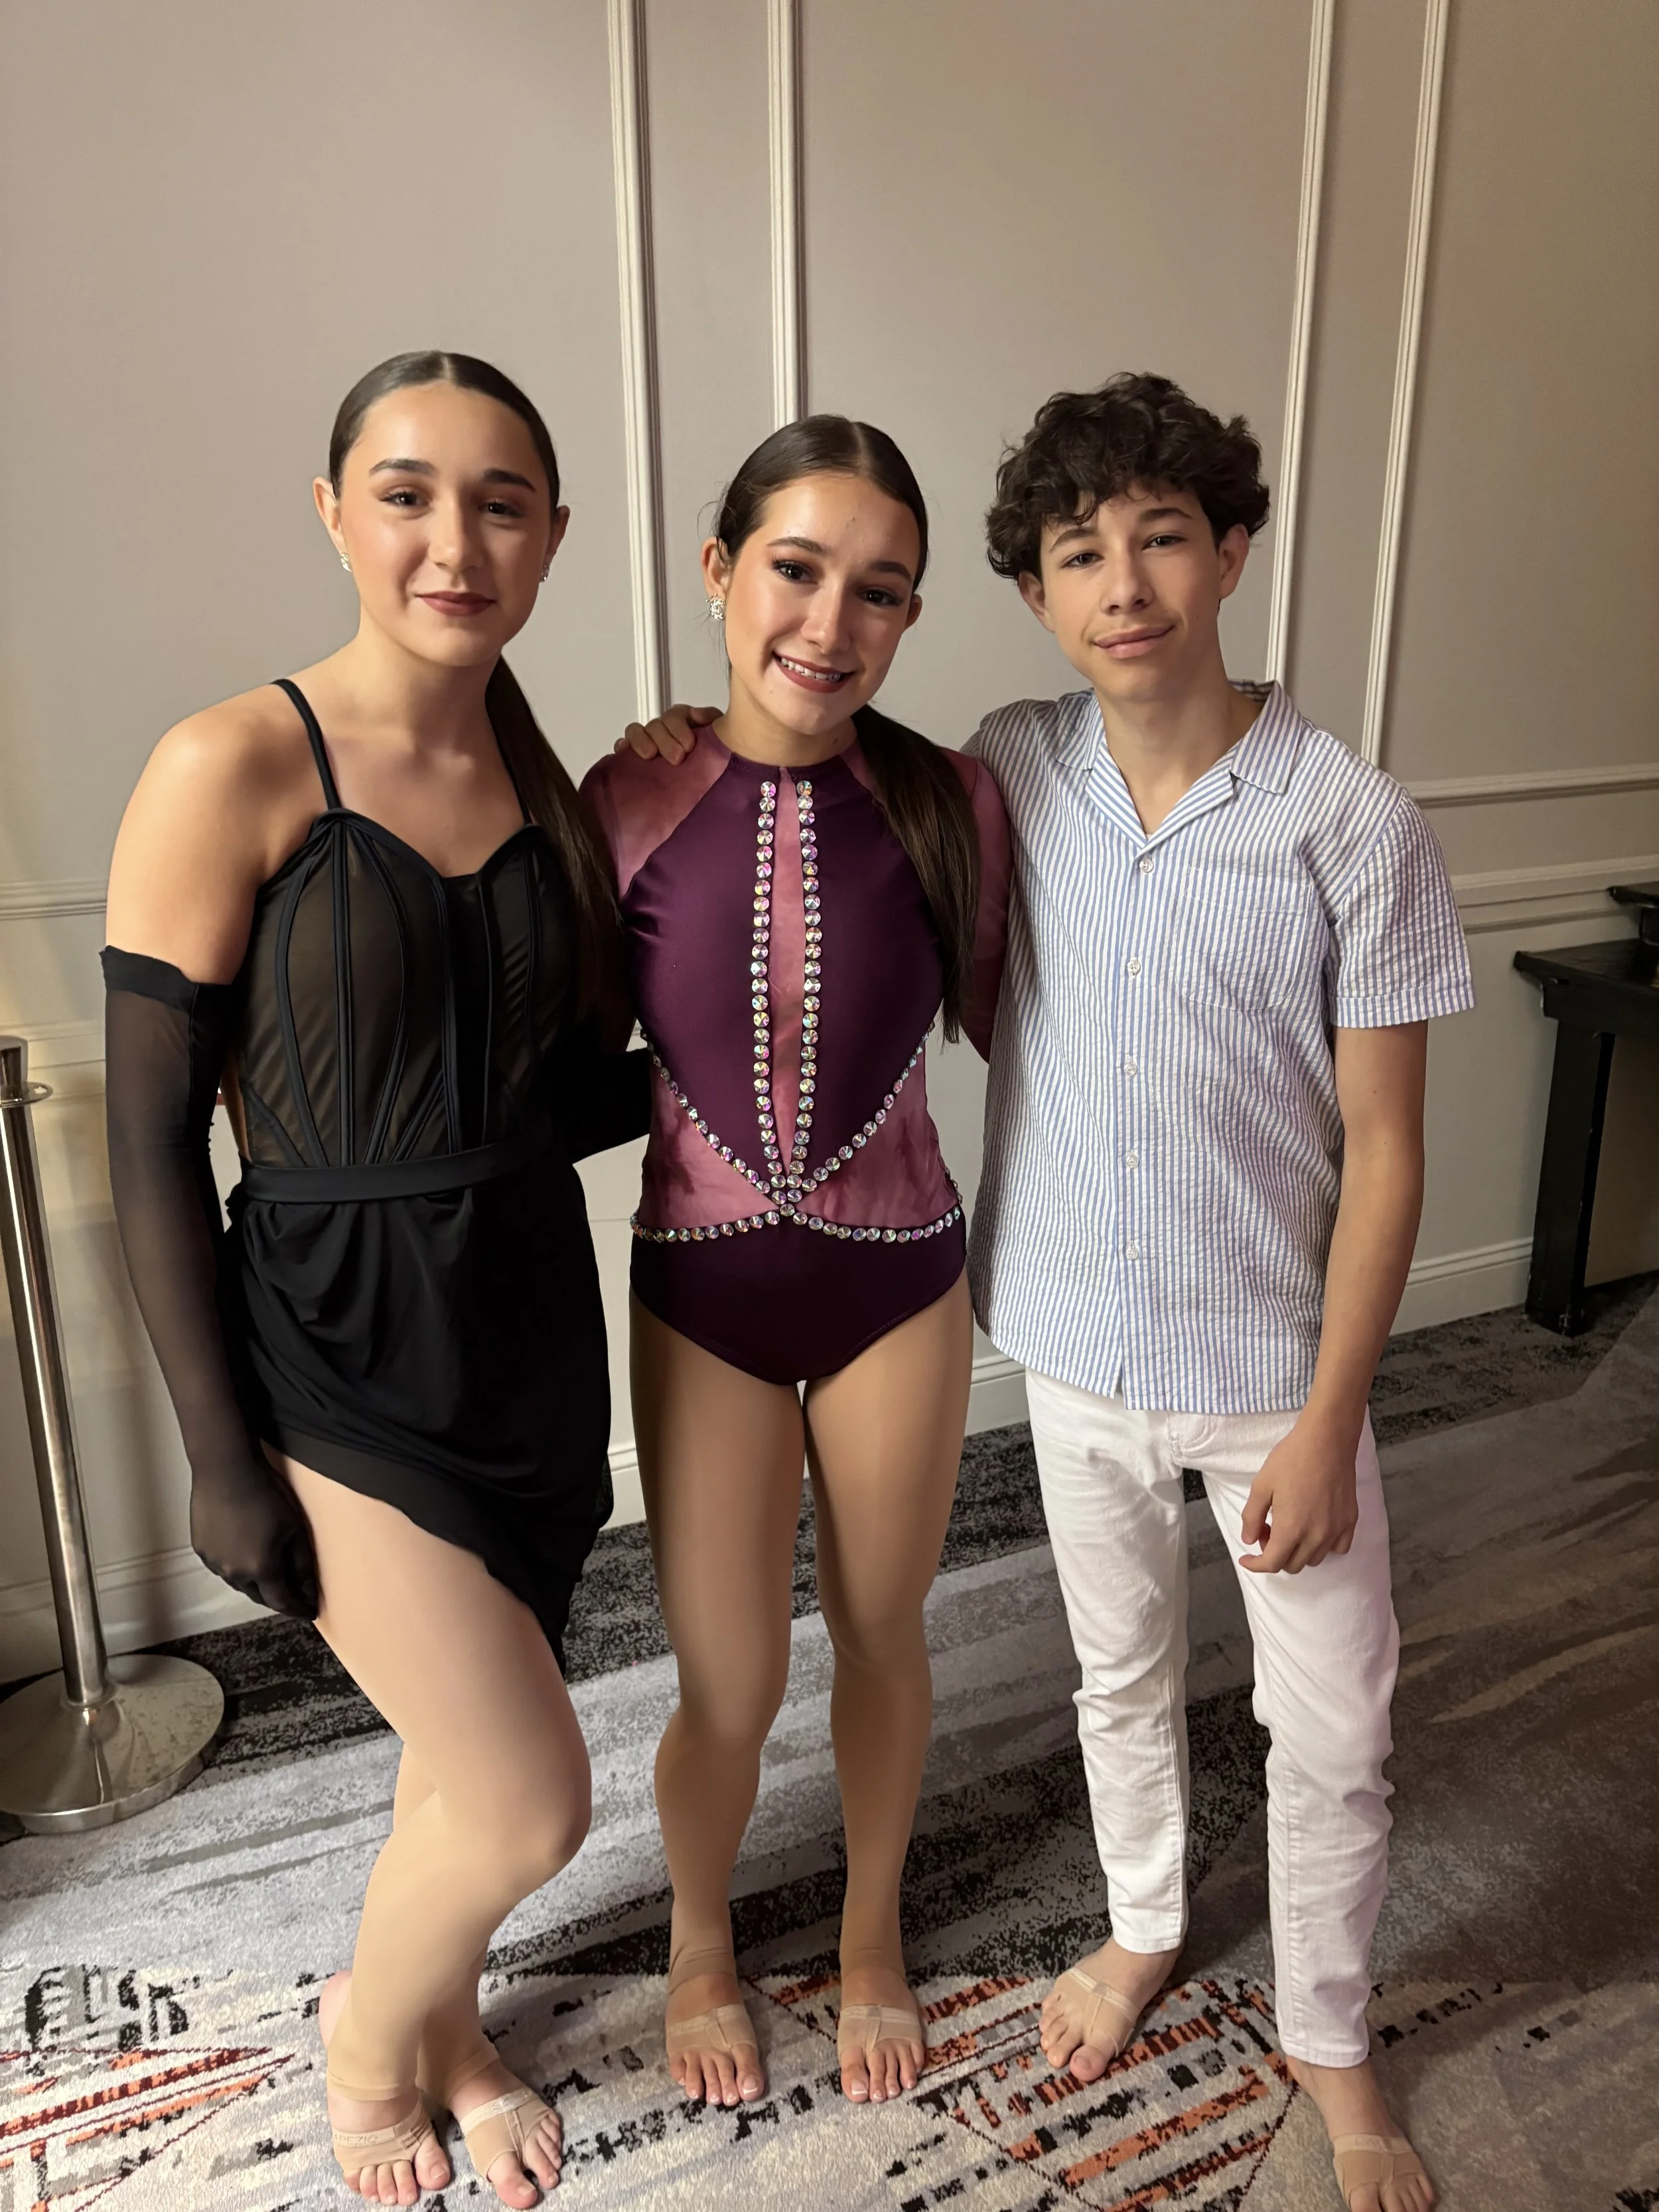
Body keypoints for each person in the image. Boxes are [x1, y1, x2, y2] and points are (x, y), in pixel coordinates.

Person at [624, 374, 1469, 2212]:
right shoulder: (1011, 765)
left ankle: (1328, 2030)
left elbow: (1389, 1152)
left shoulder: (1347, 820)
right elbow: (791, 758)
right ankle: (1144, 1924)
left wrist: (1334, 1414)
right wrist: (687, 728)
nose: (1125, 584)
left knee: (1330, 1728)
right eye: (1078, 553)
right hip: (1066, 1336)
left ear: (1231, 544)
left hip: (1267, 1359)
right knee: (1116, 1670)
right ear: (1031, 593)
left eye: (1162, 536)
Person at [102, 350, 648, 2209]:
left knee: (457, 1741)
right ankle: (366, 2045)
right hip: (330, 1340)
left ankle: (458, 2022)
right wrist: (216, 1450)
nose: (454, 537)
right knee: (530, 1794)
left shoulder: (540, 772)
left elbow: (568, 1090)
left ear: (551, 535)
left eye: (502, 500)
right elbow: (153, 1141)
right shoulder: (231, 761)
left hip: (523, 1331)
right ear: (333, 511)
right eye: (407, 490)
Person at [583, 415, 1009, 2114]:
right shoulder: (624, 794)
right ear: (719, 570)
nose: (831, 624)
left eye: (879, 590)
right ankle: (700, 1939)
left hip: (898, 1276)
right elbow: (551, 1051)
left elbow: (1043, 1019)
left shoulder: (951, 794)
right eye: (796, 569)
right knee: (730, 1674)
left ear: (909, 616)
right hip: (703, 1291)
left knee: (882, 1624)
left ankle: (869, 1932)